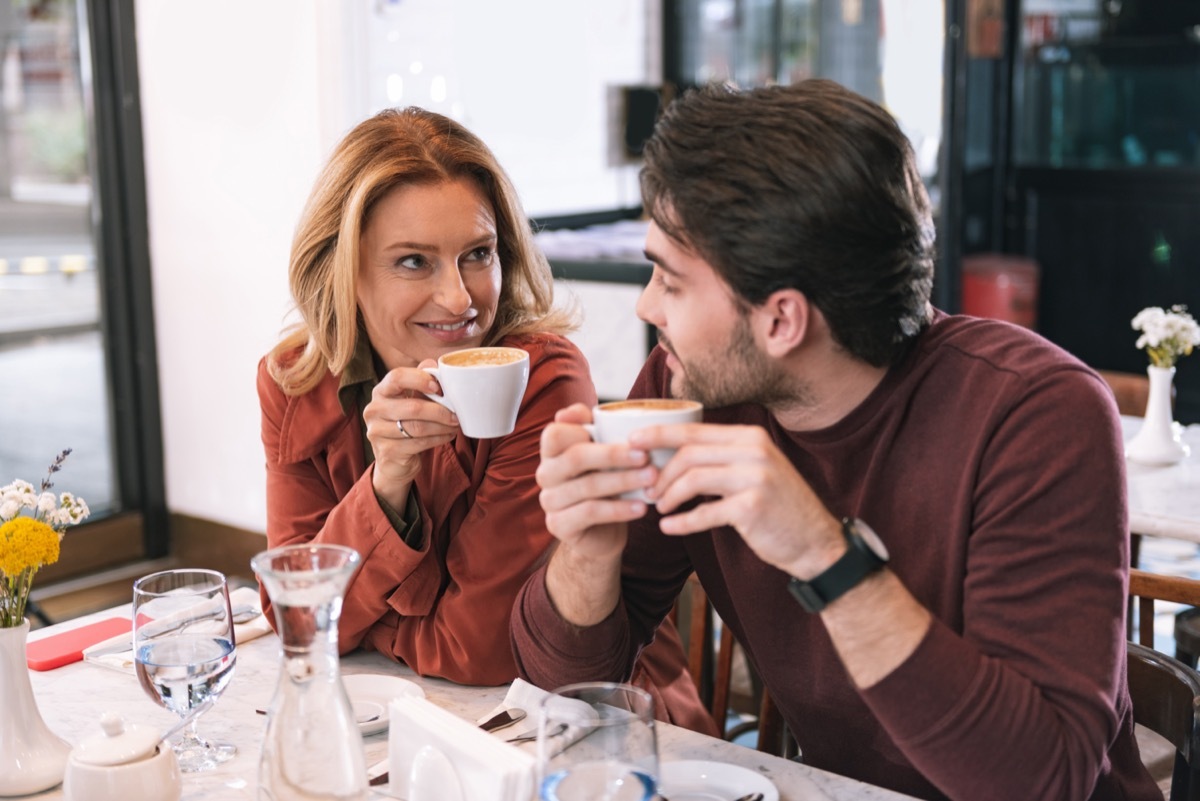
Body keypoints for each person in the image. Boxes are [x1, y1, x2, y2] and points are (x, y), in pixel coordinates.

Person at [512, 80, 1160, 800]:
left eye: (670, 279)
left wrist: (823, 552)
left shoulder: (1036, 413)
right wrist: (587, 553)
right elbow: (563, 689)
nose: (646, 303)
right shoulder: (686, 389)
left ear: (782, 320)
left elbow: (1043, 778)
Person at [258, 106, 712, 733]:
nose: (460, 298)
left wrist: (366, 620)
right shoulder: (296, 379)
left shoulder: (537, 375)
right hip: (407, 725)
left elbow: (487, 651)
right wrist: (387, 482)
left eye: (478, 253)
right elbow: (295, 623)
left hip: (598, 729)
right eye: (414, 261)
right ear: (344, 271)